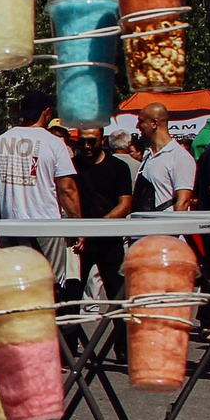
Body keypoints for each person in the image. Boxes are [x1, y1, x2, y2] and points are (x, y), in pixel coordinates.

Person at [0, 90, 80, 285]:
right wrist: (77, 225)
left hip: (11, 225)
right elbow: (67, 189)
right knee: (48, 284)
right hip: (47, 226)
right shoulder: (54, 143)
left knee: (13, 284)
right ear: (47, 113)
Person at [69, 123, 134, 299]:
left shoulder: (118, 167)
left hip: (109, 241)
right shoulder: (71, 167)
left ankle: (121, 328)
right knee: (70, 298)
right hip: (78, 243)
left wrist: (96, 228)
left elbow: (125, 204)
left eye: (91, 141)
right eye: (81, 141)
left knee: (119, 297)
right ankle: (72, 328)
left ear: (102, 140)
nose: (86, 146)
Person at [132, 103, 196, 212]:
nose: (137, 126)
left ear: (154, 123)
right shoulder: (147, 155)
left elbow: (183, 202)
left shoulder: (180, 157)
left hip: (165, 226)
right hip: (145, 225)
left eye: (141, 121)